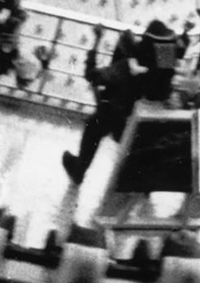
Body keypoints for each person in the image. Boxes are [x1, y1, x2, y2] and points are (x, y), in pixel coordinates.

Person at [61, 20, 185, 184]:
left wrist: (97, 40)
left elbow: (92, 75)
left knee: (93, 128)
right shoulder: (164, 75)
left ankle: (79, 170)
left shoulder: (127, 66)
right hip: (140, 131)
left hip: (117, 118)